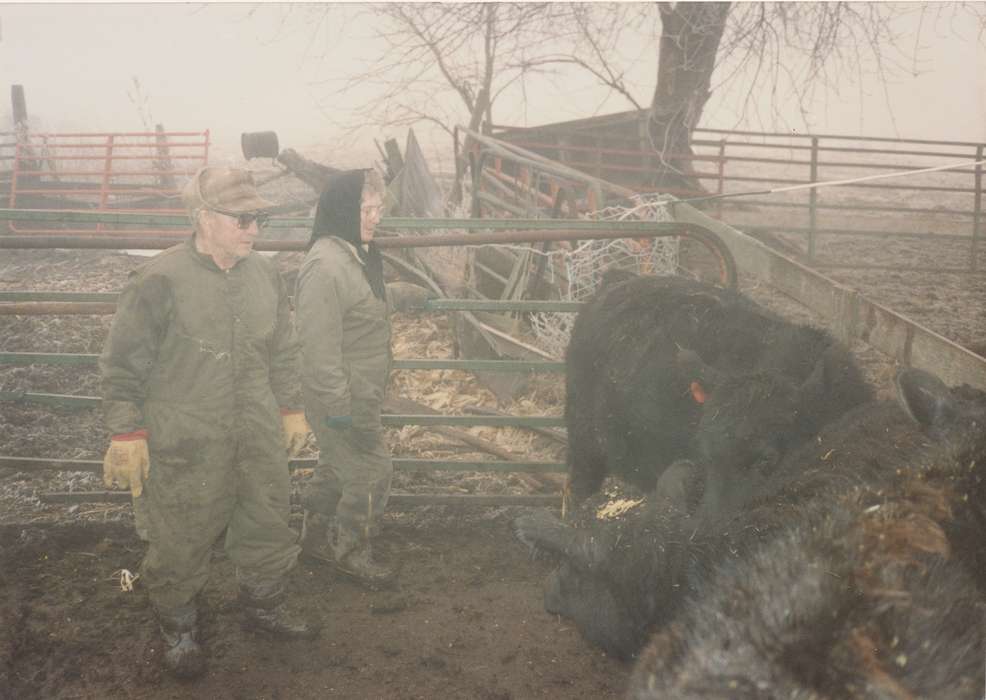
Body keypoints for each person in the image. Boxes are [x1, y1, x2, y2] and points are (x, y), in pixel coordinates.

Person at [99, 166, 319, 679]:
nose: (254, 230)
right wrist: (126, 430)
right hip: (187, 435)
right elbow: (123, 362)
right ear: (203, 218)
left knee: (267, 517)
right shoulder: (160, 279)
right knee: (180, 532)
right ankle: (179, 627)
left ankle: (264, 607)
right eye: (243, 219)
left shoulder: (264, 274)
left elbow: (284, 349)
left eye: (258, 218)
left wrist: (289, 408)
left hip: (256, 425)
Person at [295, 168, 432, 589]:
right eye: (366, 210)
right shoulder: (325, 266)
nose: (375, 218)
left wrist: (397, 295)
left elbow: (359, 306)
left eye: (377, 209)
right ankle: (351, 550)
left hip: (358, 389)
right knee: (372, 469)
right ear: (340, 211)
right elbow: (318, 349)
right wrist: (338, 410)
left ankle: (315, 538)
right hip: (341, 395)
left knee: (338, 464)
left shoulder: (353, 253)